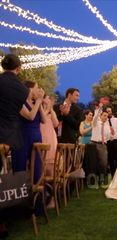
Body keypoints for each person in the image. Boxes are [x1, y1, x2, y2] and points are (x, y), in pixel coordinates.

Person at [0, 54, 29, 239]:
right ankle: (4, 222)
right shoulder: (22, 89)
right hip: (9, 139)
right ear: (18, 68)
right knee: (3, 180)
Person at [90, 104, 112, 188]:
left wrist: (111, 135)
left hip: (103, 145)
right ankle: (93, 181)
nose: (106, 117)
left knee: (103, 163)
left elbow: (108, 137)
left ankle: (101, 179)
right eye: (104, 115)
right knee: (94, 163)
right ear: (101, 116)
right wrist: (99, 109)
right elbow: (95, 118)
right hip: (94, 144)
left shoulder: (107, 127)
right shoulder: (96, 123)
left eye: (107, 116)